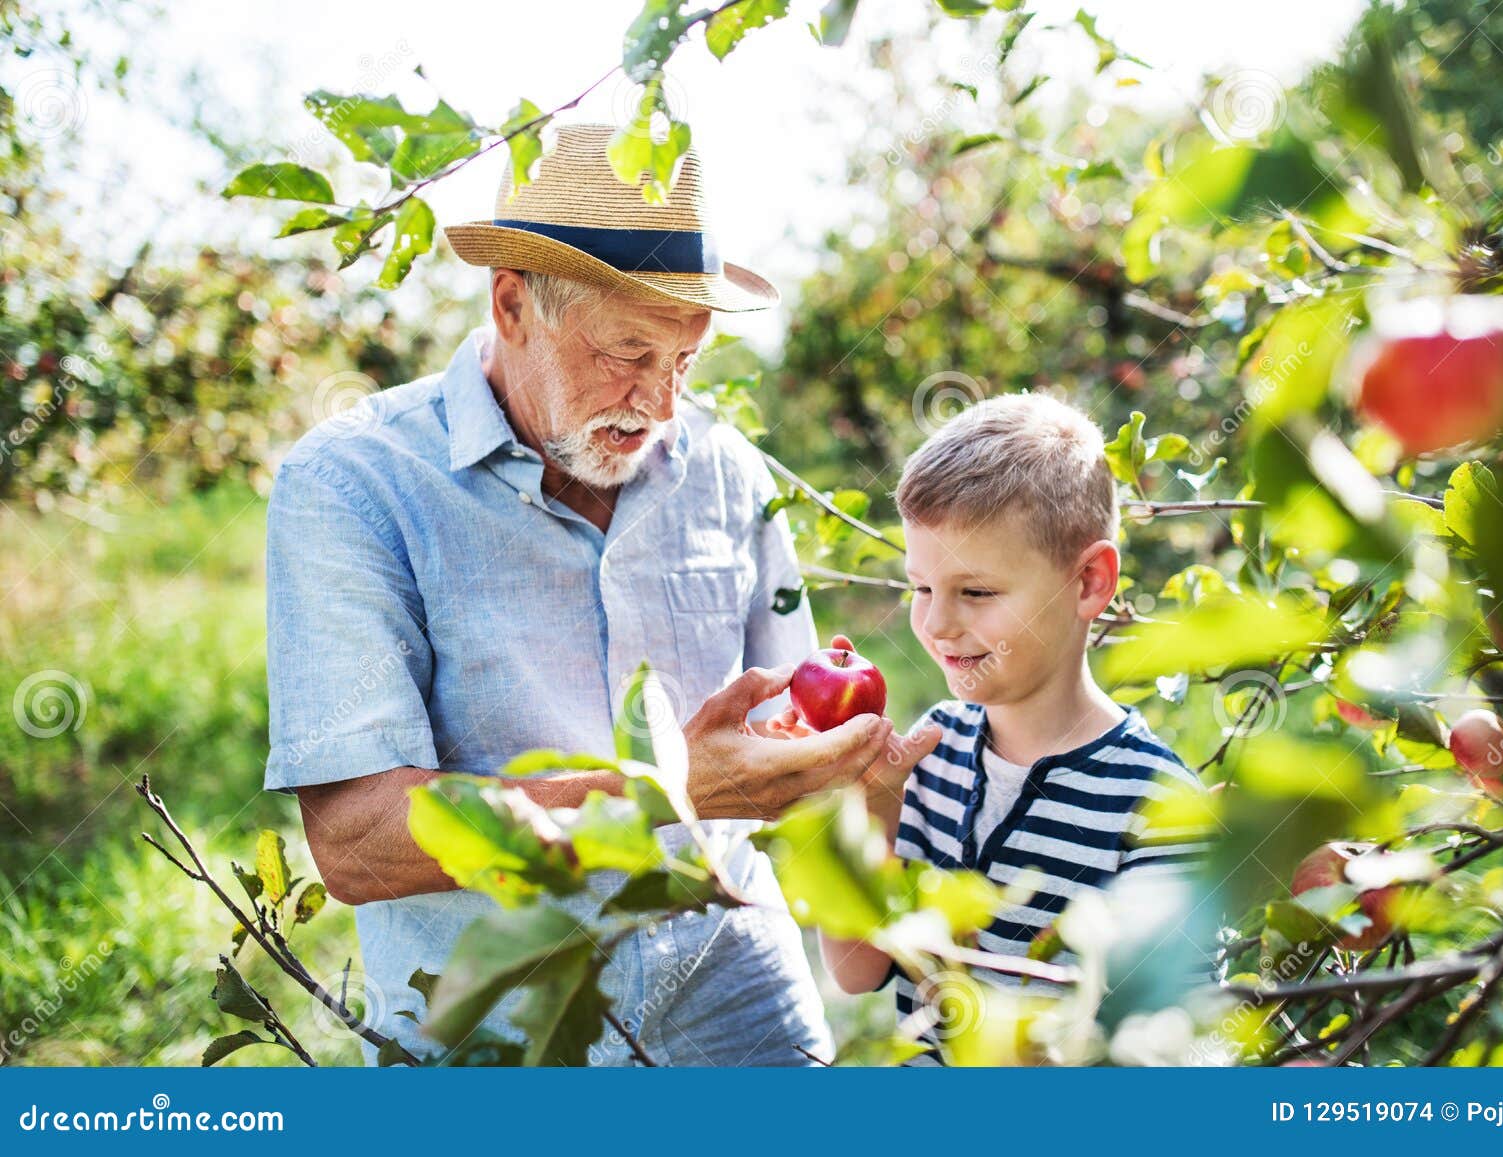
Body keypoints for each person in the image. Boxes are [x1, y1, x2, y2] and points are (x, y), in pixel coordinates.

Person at [264, 122, 916, 1066]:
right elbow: (358, 841)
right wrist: (659, 794)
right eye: (627, 352)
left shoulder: (730, 475)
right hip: (503, 1026)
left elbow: (796, 741)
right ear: (512, 303)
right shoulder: (357, 486)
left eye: (685, 362)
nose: (658, 402)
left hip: (737, 991)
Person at [800, 393, 1212, 1064]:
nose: (936, 624)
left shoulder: (1160, 807)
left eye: (977, 592)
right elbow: (857, 970)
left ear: (1088, 582)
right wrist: (862, 805)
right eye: (922, 587)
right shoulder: (930, 752)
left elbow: (1179, 1051)